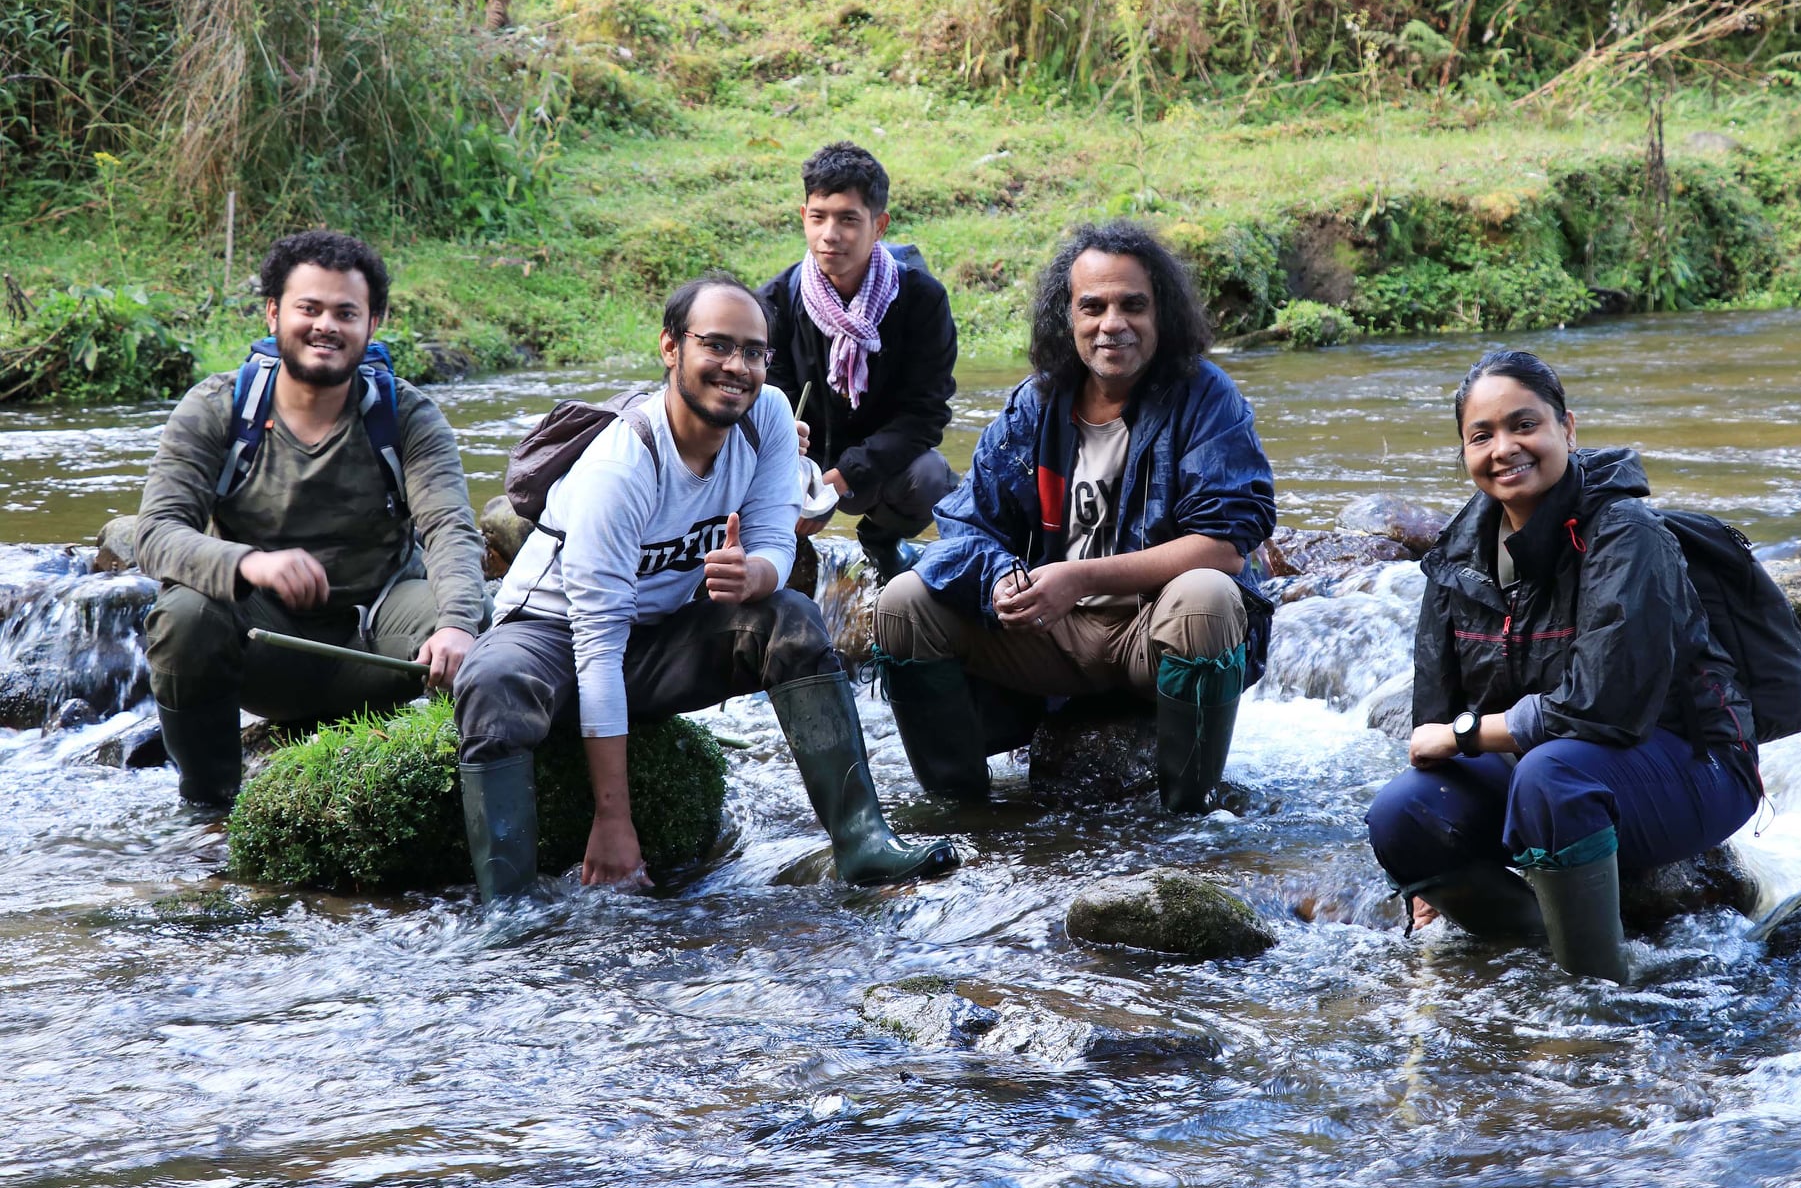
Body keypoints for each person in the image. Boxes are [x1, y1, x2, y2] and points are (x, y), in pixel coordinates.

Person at [450, 272, 957, 899]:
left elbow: (775, 534)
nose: (736, 367)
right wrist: (614, 820)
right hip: (552, 638)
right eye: (716, 345)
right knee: (492, 683)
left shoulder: (766, 416)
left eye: (752, 351)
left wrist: (756, 575)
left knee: (791, 617)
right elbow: (598, 645)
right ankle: (510, 908)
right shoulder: (621, 466)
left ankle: (862, 842)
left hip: (656, 640)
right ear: (671, 348)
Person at [1365, 350, 1762, 983]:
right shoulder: (1459, 553)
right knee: (1404, 814)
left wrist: (1468, 736)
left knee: (1553, 775)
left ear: (1567, 429)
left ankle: (1598, 991)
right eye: (1482, 435)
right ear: (1463, 451)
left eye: (1525, 425)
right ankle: (1536, 945)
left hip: (1690, 763)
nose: (1505, 448)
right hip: (1547, 770)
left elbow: (1603, 707)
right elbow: (1432, 716)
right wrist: (1427, 875)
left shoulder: (1627, 534)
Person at [872, 220, 1276, 813]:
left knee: (1208, 594)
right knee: (903, 601)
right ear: (1068, 318)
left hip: (1153, 629)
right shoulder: (1032, 407)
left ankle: (1190, 812)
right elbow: (968, 527)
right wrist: (1004, 582)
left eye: (1132, 305)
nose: (1113, 323)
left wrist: (1081, 577)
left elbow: (1224, 544)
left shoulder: (1206, 399)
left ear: (1161, 314)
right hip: (1047, 634)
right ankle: (959, 811)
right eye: (1093, 306)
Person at [137, 230, 484, 809]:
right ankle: (209, 809)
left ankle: (460, 797)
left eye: (346, 312)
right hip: (261, 649)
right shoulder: (217, 409)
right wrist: (250, 563)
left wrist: (457, 626)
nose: (326, 325)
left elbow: (450, 528)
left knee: (480, 625)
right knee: (182, 614)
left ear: (373, 323)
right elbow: (155, 533)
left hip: (379, 639)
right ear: (274, 313)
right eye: (309, 308)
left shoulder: (407, 417)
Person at [760, 142, 960, 584]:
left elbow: (924, 416)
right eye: (819, 217)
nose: (830, 234)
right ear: (803, 218)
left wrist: (840, 478)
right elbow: (763, 403)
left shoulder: (921, 300)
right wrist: (792, 470)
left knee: (929, 479)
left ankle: (881, 539)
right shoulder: (774, 303)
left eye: (848, 219)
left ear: (879, 225)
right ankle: (789, 553)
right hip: (796, 466)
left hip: (878, 468)